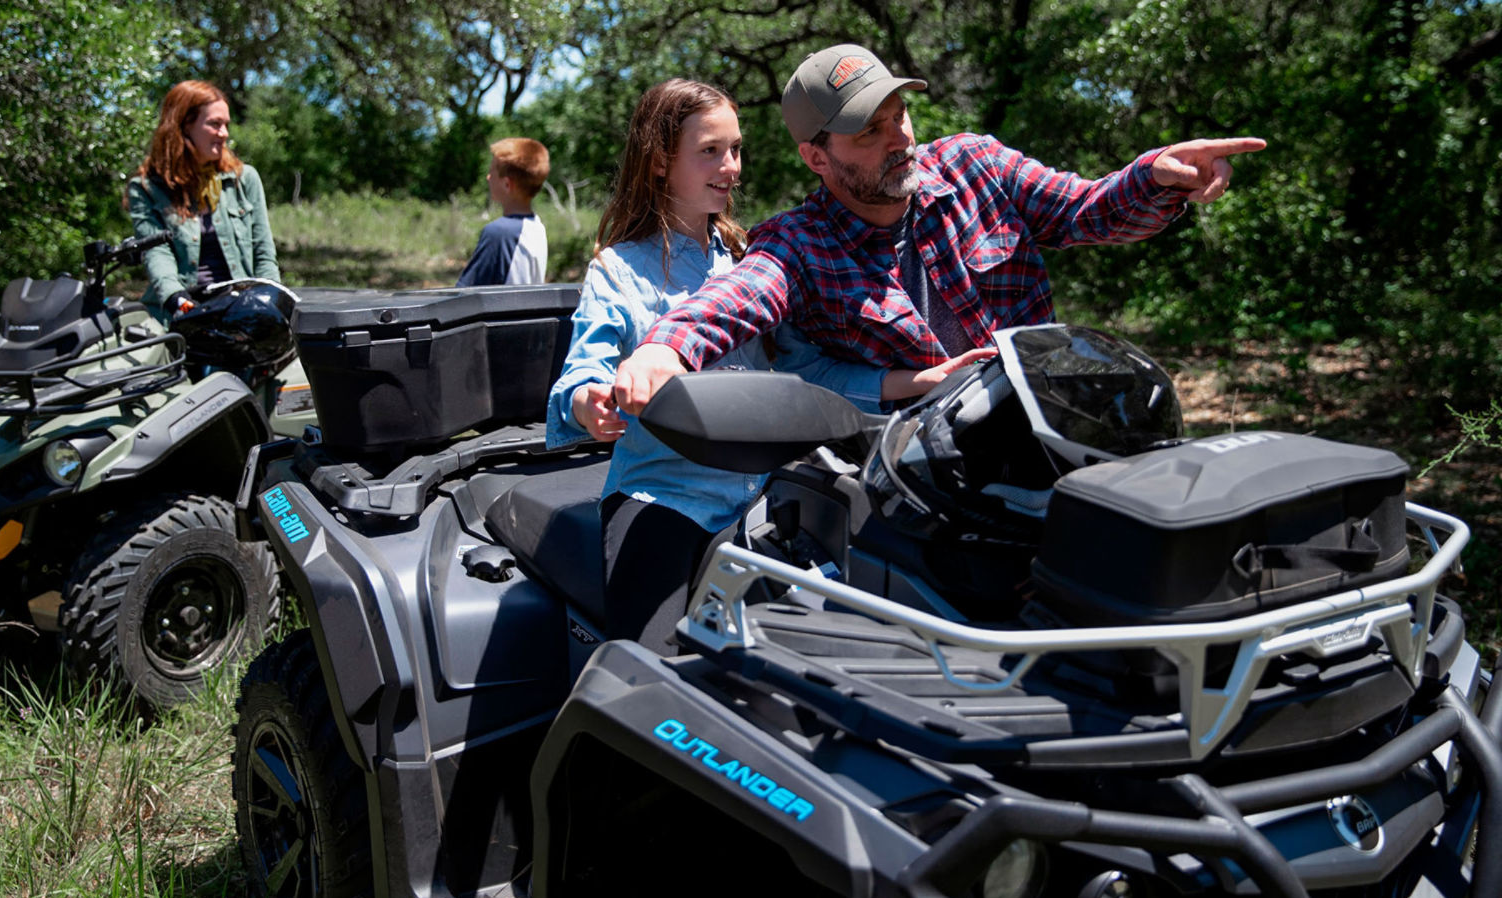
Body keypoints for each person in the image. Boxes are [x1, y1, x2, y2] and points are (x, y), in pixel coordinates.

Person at [546, 79, 981, 654]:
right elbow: (578, 380)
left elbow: (808, 374)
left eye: (736, 148)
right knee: (646, 666)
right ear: (658, 163)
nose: (731, 167)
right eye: (710, 151)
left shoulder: (756, 257)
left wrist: (914, 382)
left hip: (768, 491)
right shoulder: (618, 272)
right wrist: (591, 404)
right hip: (667, 498)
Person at [612, 43, 1267, 413]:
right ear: (818, 158)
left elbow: (1086, 211)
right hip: (928, 472)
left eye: (900, 114)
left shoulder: (976, 165)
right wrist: (664, 350)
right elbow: (738, 295)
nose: (900, 138)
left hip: (1055, 418)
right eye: (870, 130)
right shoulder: (798, 242)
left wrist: (1156, 177)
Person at [126, 81, 280, 322]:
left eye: (226, 125)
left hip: (242, 308)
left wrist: (271, 301)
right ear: (184, 126)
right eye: (214, 124)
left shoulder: (243, 179)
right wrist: (175, 297)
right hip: (180, 311)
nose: (224, 133)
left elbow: (263, 253)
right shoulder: (146, 188)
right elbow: (157, 253)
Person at [455, 138, 551, 287]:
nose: (488, 177)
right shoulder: (536, 226)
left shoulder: (500, 233)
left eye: (492, 171)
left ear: (507, 184)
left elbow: (464, 295)